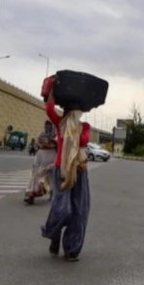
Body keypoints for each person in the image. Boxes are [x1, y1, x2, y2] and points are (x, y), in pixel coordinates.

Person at [40, 83, 91, 262]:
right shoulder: (60, 123)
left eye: (78, 110)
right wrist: (52, 89)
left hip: (79, 170)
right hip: (61, 169)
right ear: (68, 110)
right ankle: (54, 235)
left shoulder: (85, 126)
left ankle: (72, 248)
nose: (75, 113)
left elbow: (84, 140)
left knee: (79, 210)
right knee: (63, 208)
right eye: (72, 109)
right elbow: (49, 108)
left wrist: (74, 127)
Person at [24, 121, 57, 205]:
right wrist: (41, 143)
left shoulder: (56, 135)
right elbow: (37, 142)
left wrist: (51, 143)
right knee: (35, 174)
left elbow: (57, 145)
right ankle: (31, 195)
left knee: (50, 177)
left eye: (49, 126)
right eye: (45, 126)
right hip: (40, 155)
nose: (47, 128)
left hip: (51, 156)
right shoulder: (42, 134)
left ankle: (52, 193)